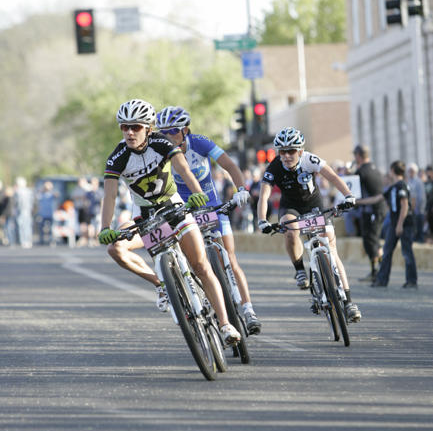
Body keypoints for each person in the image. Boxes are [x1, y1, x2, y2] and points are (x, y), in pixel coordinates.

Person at [97, 99, 241, 346]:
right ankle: (161, 283)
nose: (130, 132)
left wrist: (197, 194)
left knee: (200, 265)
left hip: (173, 206)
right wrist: (105, 227)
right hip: (145, 215)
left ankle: (225, 324)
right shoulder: (117, 158)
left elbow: (183, 169)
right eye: (124, 127)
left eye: (136, 127)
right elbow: (109, 195)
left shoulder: (162, 143)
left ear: (148, 128)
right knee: (115, 249)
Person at [155, 105, 261, 335]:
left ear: (185, 131)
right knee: (194, 263)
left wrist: (241, 188)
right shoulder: (159, 151)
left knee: (230, 258)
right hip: (183, 211)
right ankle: (201, 299)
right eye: (161, 133)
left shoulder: (200, 142)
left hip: (211, 206)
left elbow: (230, 165)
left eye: (172, 131)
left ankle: (248, 309)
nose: (167, 137)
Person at [256, 127, 361, 323]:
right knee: (289, 228)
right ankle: (299, 270)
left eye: (291, 151)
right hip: (291, 207)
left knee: (330, 247)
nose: (286, 156)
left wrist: (348, 196)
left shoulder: (310, 160)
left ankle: (348, 302)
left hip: (313, 205)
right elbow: (264, 195)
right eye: (282, 151)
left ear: (301, 151)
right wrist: (262, 219)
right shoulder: (274, 167)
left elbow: (333, 177)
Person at [360, 160, 418, 289]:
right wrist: (359, 202)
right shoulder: (393, 187)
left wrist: (400, 224)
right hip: (394, 223)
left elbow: (404, 206)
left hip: (404, 223)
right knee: (387, 251)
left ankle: (412, 281)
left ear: (392, 170)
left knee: (406, 252)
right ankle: (382, 280)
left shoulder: (402, 186)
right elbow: (377, 198)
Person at [353, 144, 387, 281]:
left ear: (358, 156)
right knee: (375, 240)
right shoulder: (375, 169)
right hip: (379, 208)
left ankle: (376, 272)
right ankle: (378, 271)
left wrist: (356, 203)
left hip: (371, 209)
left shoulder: (361, 171)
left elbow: (354, 192)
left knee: (370, 241)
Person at [407, 163, 426, 243]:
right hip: (412, 209)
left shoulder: (418, 181)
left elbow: (421, 197)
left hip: (418, 210)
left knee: (419, 229)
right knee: (414, 230)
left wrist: (421, 209)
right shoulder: (408, 181)